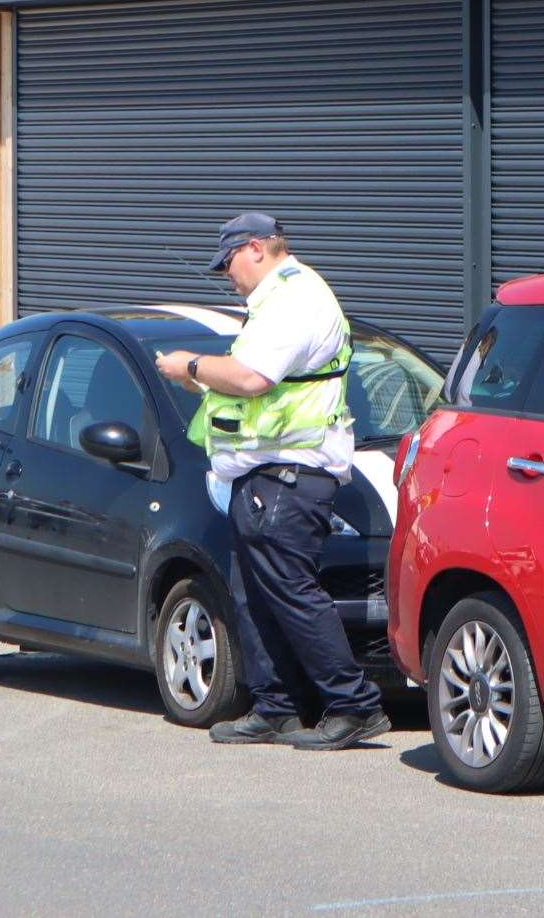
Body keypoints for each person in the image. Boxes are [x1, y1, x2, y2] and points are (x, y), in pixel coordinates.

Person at [155, 213, 390, 751]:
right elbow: (256, 386)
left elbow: (252, 377)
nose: (227, 276)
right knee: (253, 595)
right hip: (265, 473)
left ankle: (353, 705)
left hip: (291, 472)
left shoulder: (293, 300)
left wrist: (188, 366)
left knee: (290, 592)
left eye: (230, 263)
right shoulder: (277, 300)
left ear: (257, 248)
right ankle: (275, 707)